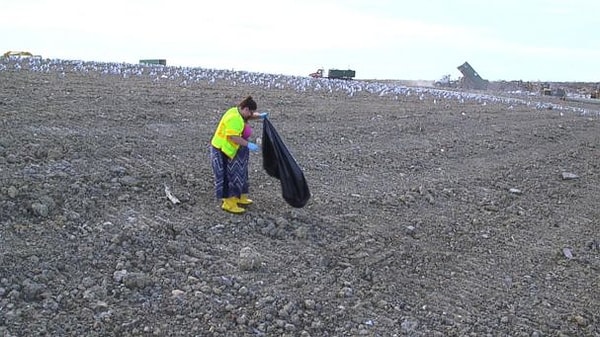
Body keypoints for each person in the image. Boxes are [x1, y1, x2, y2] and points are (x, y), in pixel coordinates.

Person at [210, 96, 267, 214]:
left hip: (234, 151)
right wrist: (248, 144)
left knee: (240, 173)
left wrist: (260, 116)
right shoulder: (234, 118)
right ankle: (229, 203)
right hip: (223, 150)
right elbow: (233, 137)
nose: (251, 114)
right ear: (245, 109)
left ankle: (241, 197)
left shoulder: (238, 111)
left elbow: (248, 117)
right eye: (250, 112)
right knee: (228, 176)